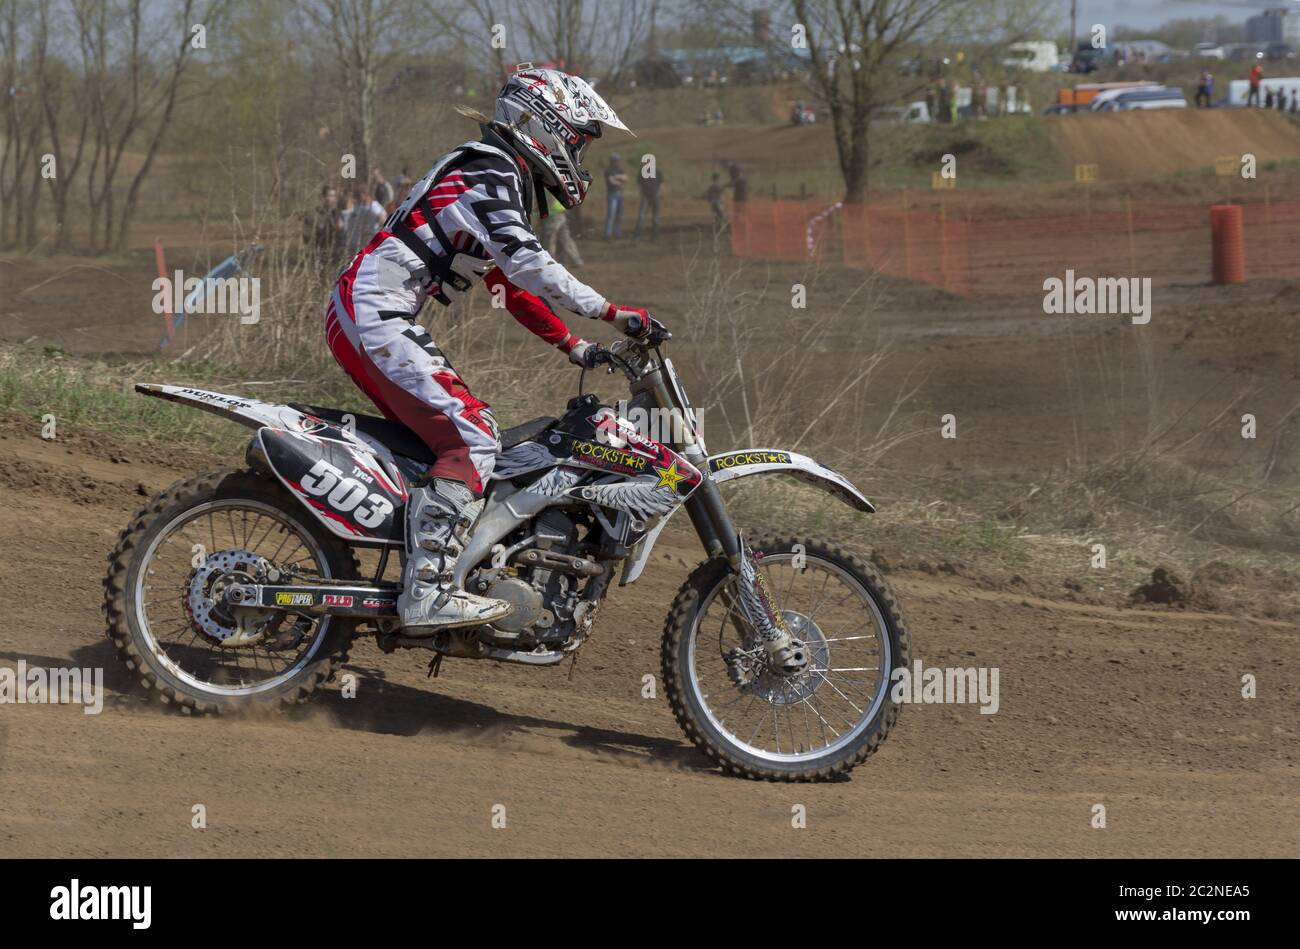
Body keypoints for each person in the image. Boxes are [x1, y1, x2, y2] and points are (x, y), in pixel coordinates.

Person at [324, 67, 660, 632]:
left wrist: (574, 346)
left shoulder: (488, 170)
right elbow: (526, 263)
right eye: (578, 140)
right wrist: (612, 312)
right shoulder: (490, 167)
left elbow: (505, 283)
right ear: (543, 124)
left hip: (367, 311)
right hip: (373, 313)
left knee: (456, 438)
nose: (579, 158)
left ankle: (435, 560)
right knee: (474, 433)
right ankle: (427, 593)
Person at [538, 188, 584, 268]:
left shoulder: (543, 184)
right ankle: (576, 260)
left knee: (549, 239)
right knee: (566, 239)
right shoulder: (552, 181)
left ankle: (550, 262)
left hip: (553, 214)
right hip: (560, 212)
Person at [340, 185, 387, 260]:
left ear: (365, 194)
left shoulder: (374, 207)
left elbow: (384, 222)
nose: (357, 198)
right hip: (359, 243)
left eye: (358, 195)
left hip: (369, 241)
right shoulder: (360, 205)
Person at [303, 183, 343, 265]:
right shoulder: (314, 215)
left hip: (340, 258)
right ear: (323, 198)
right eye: (330, 196)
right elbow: (307, 238)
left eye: (335, 196)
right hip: (321, 258)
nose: (333, 199)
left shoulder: (340, 214)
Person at [633, 160, 663, 241]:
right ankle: (637, 236)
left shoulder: (657, 171)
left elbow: (661, 183)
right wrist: (641, 193)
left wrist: (658, 193)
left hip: (654, 196)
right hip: (645, 196)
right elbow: (639, 184)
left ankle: (655, 237)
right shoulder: (642, 172)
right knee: (641, 217)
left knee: (656, 218)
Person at [603, 153, 627, 239]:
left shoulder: (619, 169)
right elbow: (611, 181)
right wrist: (620, 180)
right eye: (616, 160)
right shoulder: (608, 170)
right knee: (611, 215)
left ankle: (618, 233)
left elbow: (625, 178)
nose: (617, 162)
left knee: (620, 215)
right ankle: (608, 234)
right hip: (612, 194)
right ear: (612, 161)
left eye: (618, 160)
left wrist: (617, 177)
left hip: (620, 194)